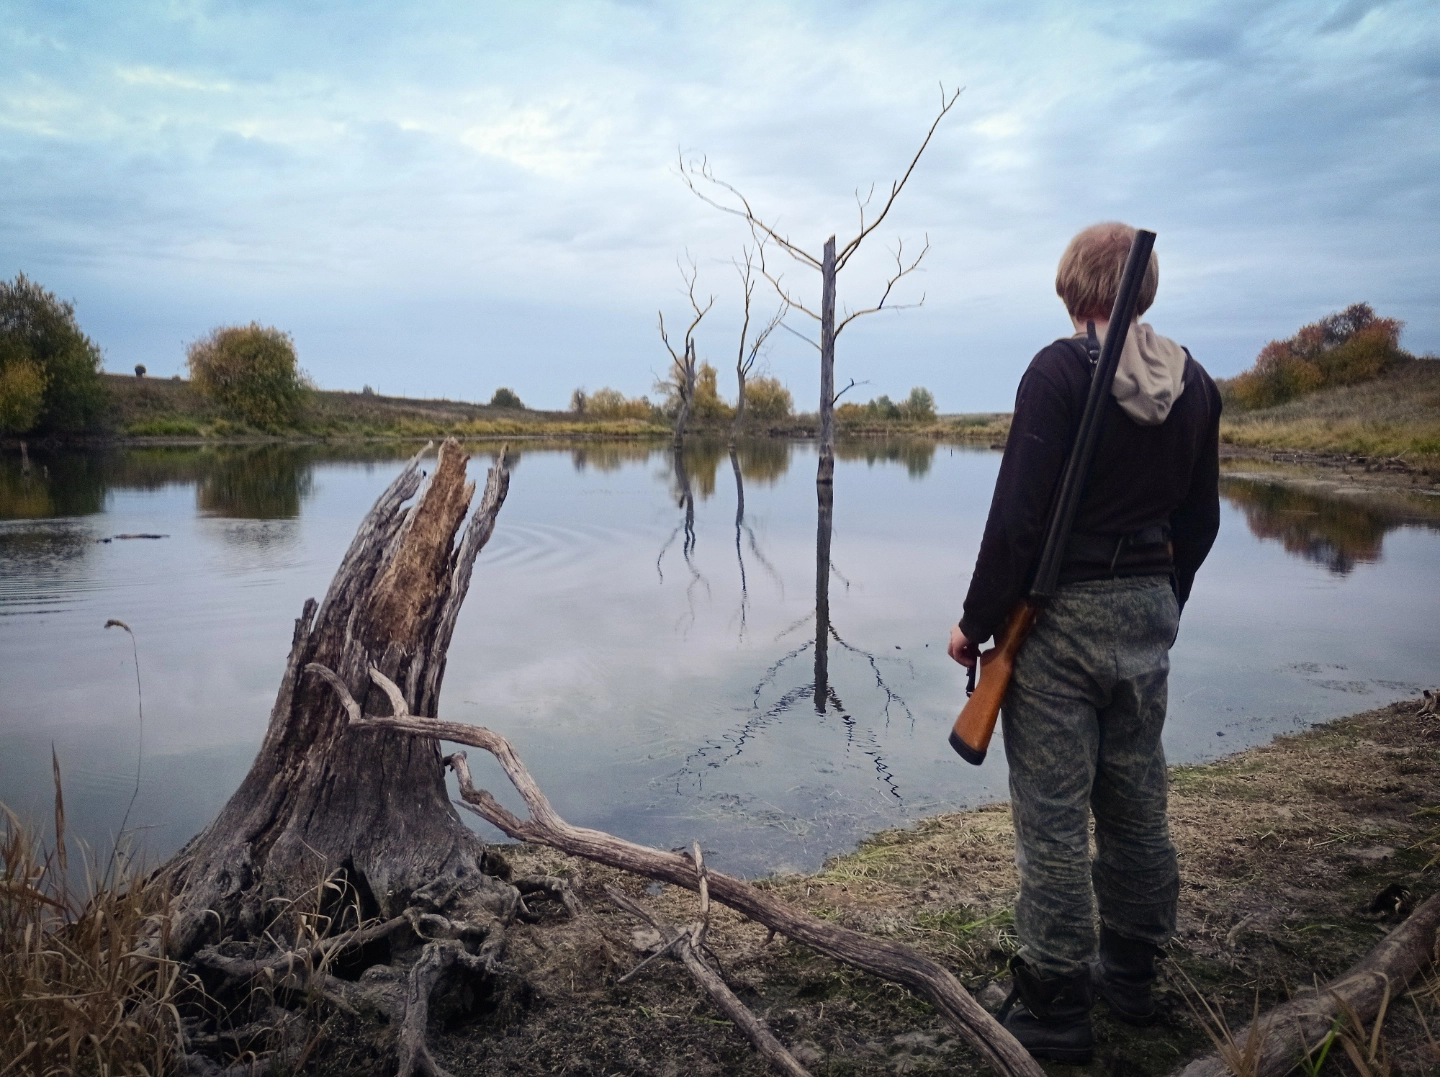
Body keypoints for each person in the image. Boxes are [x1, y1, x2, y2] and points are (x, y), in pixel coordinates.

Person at [947, 222, 1221, 1063]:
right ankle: (1132, 973)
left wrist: (976, 622)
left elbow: (1019, 516)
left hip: (1059, 618)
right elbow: (1200, 520)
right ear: (1139, 288)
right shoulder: (1199, 383)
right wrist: (1161, 600)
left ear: (1072, 287)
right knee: (1138, 800)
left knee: (1055, 816)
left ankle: (1056, 1000)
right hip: (1148, 608)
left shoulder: (1059, 370)